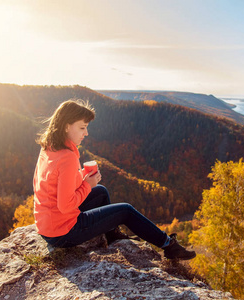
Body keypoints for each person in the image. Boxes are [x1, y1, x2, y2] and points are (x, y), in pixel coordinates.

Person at [33, 99, 196, 260]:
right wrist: (87, 186)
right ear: (66, 125)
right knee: (125, 210)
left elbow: (51, 185)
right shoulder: (67, 157)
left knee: (101, 192)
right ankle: (168, 245)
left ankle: (112, 235)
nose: (86, 133)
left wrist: (82, 177)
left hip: (48, 225)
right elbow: (65, 206)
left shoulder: (49, 147)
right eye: (82, 127)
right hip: (63, 232)